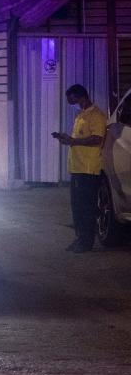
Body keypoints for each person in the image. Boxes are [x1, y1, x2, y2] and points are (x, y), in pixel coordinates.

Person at [52, 83, 108, 253]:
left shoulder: (97, 116)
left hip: (89, 169)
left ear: (82, 97)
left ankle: (86, 242)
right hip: (77, 168)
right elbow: (79, 139)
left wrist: (73, 141)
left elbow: (97, 139)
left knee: (86, 208)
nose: (74, 104)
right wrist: (66, 139)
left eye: (74, 100)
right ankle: (80, 239)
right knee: (77, 207)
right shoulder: (80, 115)